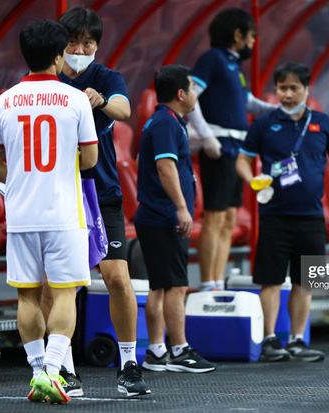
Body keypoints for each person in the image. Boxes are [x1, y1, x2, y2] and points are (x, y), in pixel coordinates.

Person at [0, 20, 98, 403]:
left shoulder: (2, 101)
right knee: (65, 294)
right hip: (64, 214)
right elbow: (90, 161)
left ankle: (36, 372)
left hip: (20, 213)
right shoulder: (76, 99)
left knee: (27, 297)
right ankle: (52, 371)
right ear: (57, 55)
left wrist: (23, 175)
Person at [49, 6, 149, 397]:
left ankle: (128, 365)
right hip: (60, 195)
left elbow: (124, 109)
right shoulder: (48, 82)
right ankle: (65, 369)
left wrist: (101, 99)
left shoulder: (106, 77)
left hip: (102, 194)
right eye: (73, 41)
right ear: (61, 44)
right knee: (60, 285)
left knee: (117, 279)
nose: (79, 48)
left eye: (87, 42)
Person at [236, 62, 329, 362]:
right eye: (282, 88)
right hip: (274, 216)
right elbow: (243, 160)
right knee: (270, 281)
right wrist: (251, 180)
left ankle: (297, 340)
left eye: (294, 88)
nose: (287, 93)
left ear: (307, 90)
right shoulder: (263, 123)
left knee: (305, 282)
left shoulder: (323, 123)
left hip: (312, 216)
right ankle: (271, 340)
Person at [186, 8, 278, 292]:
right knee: (214, 215)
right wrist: (206, 136)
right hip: (219, 146)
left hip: (238, 147)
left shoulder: (233, 65)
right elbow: (191, 95)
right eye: (251, 35)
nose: (253, 41)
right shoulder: (212, 59)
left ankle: (217, 281)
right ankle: (207, 282)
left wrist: (281, 110)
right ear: (237, 34)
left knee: (229, 216)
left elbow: (247, 102)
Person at [136, 64, 217, 374]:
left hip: (155, 215)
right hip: (164, 216)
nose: (196, 94)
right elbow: (166, 167)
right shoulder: (167, 124)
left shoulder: (161, 121)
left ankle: (157, 352)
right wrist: (182, 208)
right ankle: (180, 350)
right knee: (176, 285)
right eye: (193, 89)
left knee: (160, 286)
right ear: (181, 93)